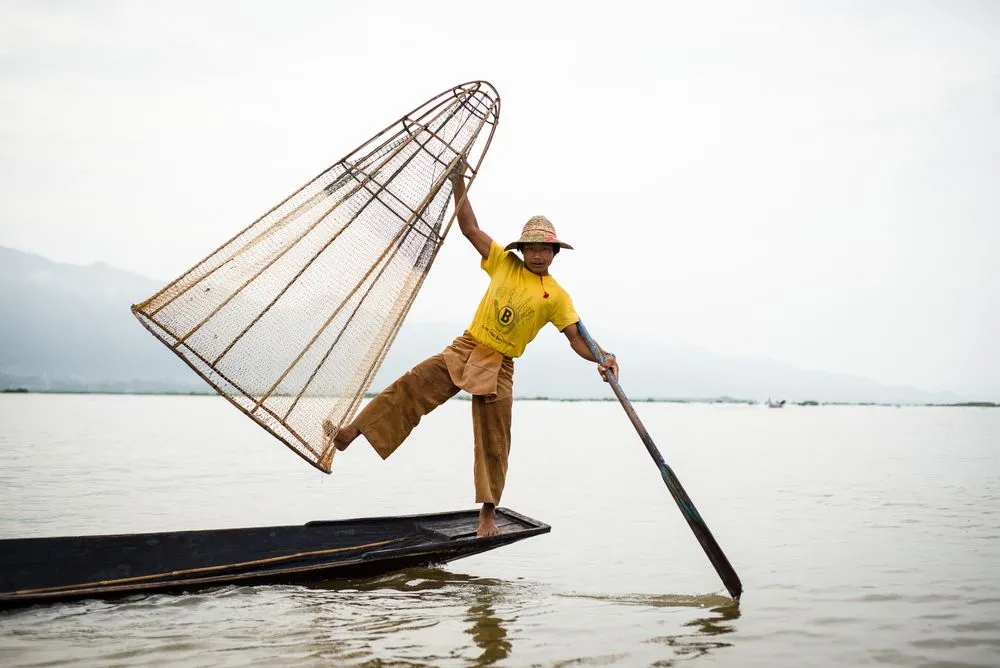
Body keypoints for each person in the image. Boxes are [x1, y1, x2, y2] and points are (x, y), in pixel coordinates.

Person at [333, 167, 619, 537]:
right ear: (523, 249)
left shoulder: (557, 295)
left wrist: (603, 357)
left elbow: (577, 338)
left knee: (495, 440)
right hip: (467, 347)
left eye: (543, 248)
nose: (536, 254)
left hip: (501, 365)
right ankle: (351, 432)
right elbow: (469, 228)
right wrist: (458, 183)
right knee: (412, 384)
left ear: (553, 252)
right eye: (531, 247)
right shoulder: (505, 263)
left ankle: (487, 515)